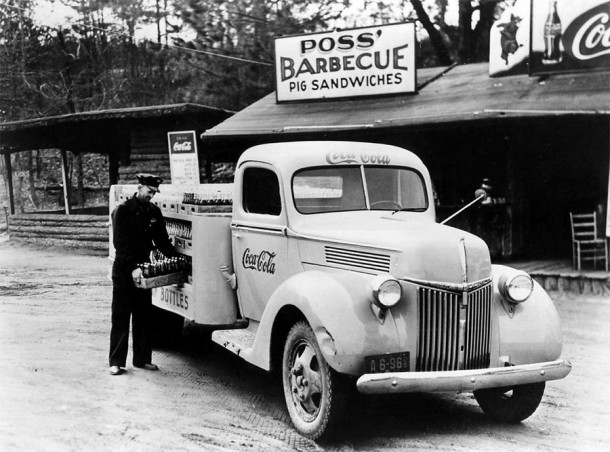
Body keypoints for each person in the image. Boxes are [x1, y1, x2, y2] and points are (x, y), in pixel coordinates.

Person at [108, 173, 177, 376]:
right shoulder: (122, 211)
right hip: (124, 271)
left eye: (154, 192)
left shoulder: (153, 211)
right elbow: (120, 244)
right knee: (121, 316)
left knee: (144, 316)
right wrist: (133, 268)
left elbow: (162, 241)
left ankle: (142, 359)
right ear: (139, 188)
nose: (152, 196)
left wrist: (179, 262)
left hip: (144, 271)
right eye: (149, 191)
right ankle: (116, 362)